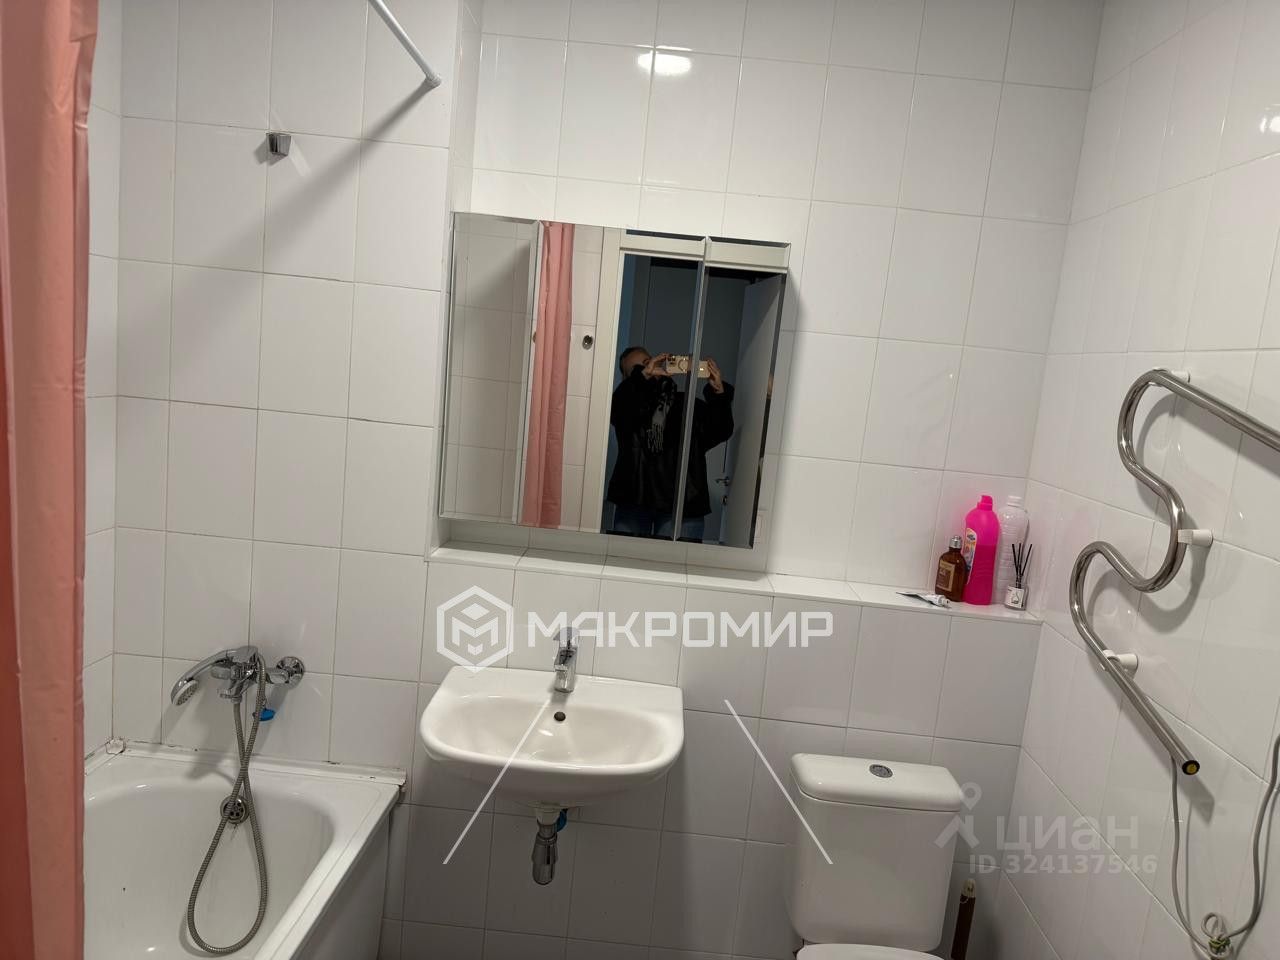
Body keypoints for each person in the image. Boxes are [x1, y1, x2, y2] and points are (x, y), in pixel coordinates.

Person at [606, 346, 734, 541]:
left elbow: (720, 430)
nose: (647, 369)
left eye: (647, 363)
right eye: (637, 370)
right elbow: (616, 409)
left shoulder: (686, 404)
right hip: (633, 501)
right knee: (624, 558)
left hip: (684, 505)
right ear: (628, 379)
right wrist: (642, 377)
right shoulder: (627, 408)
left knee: (678, 561)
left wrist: (718, 393)